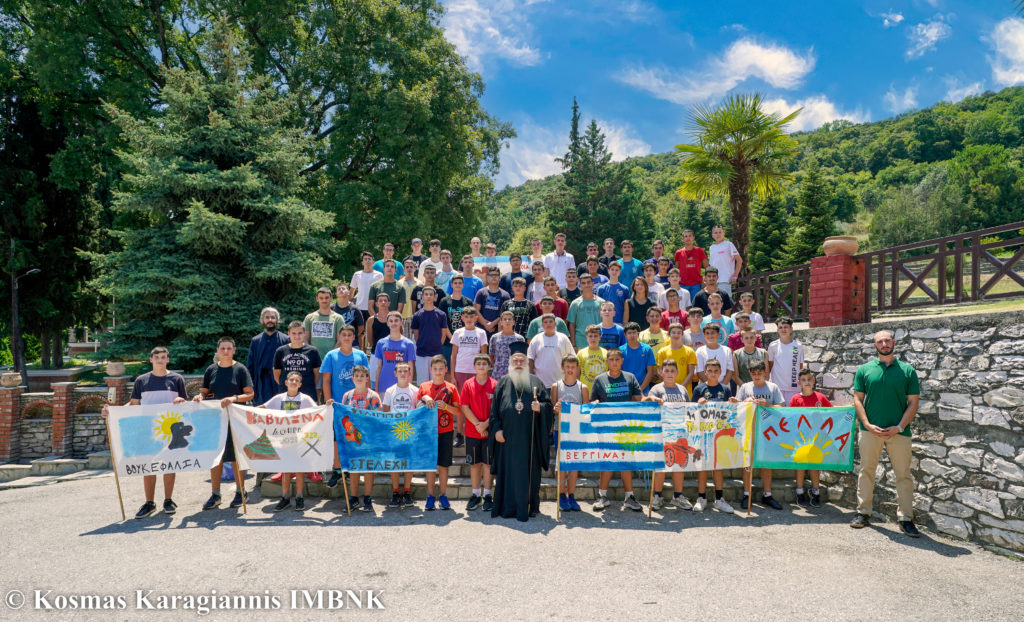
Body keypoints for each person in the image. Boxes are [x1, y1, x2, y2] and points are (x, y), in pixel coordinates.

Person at [102, 346, 188, 518]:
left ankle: (168, 500)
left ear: (168, 359)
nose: (160, 360)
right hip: (147, 430)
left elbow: (185, 402)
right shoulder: (141, 380)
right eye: (157, 357)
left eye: (163, 357)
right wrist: (113, 412)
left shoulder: (176, 379)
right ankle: (149, 503)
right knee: (149, 465)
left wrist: (182, 400)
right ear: (151, 360)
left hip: (170, 431)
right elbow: (133, 404)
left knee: (169, 465)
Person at [850, 330, 920, 537]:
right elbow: (857, 400)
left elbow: (913, 403)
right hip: (870, 431)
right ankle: (863, 513)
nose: (884, 343)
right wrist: (867, 424)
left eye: (887, 340)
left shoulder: (907, 371)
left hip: (899, 432)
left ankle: (906, 518)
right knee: (866, 471)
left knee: (903, 475)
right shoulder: (864, 370)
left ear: (894, 342)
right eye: (880, 341)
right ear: (875, 346)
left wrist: (899, 427)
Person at [489, 343, 554, 521]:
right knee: (507, 474)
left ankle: (529, 506)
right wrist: (496, 430)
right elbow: (494, 411)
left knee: (528, 474)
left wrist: (540, 408)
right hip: (507, 441)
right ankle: (506, 507)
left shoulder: (535, 382)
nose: (518, 363)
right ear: (510, 362)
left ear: (527, 363)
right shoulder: (502, 382)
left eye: (522, 360)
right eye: (515, 360)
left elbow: (548, 406)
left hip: (529, 440)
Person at [194, 337, 254, 511]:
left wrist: (234, 398)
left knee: (236, 457)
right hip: (215, 420)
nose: (226, 351)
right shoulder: (211, 370)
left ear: (234, 350)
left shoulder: (240, 370)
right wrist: (200, 397)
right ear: (218, 350)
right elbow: (204, 392)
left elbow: (250, 394)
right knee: (216, 457)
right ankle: (216, 494)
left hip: (236, 420)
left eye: (229, 348)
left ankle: (240, 491)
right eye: (223, 348)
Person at [590, 349, 644, 511]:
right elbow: (593, 401)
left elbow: (639, 399)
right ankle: (602, 496)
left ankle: (629, 497)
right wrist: (595, 403)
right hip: (606, 427)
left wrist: (652, 400)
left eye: (617, 359)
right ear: (607, 361)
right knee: (607, 461)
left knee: (626, 462)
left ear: (622, 361)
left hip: (626, 428)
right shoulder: (599, 380)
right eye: (611, 359)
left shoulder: (630, 377)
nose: (614, 362)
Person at [264, 372, 321, 512]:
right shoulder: (278, 399)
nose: (294, 382)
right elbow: (263, 409)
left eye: (297, 380)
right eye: (291, 380)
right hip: (283, 440)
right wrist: (243, 410)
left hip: (300, 440)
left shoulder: (306, 399)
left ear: (300, 384)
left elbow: (317, 412)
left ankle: (299, 497)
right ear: (286, 382)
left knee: (299, 468)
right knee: (285, 469)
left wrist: (328, 406)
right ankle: (285, 497)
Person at [731, 360, 784, 511]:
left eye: (759, 373)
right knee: (747, 463)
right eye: (753, 373)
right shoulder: (745, 387)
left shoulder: (773, 387)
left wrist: (767, 405)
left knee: (766, 463)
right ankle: (747, 494)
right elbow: (736, 407)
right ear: (750, 373)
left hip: (768, 430)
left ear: (765, 372)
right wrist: (744, 402)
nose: (756, 376)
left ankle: (767, 495)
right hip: (748, 429)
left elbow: (781, 407)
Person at [321, 325, 369, 489]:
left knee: (354, 436)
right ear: (339, 337)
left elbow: (366, 378)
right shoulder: (331, 355)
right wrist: (329, 401)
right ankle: (336, 469)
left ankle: (351, 469)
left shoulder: (360, 355)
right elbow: (326, 380)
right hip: (338, 405)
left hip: (357, 404)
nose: (347, 337)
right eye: (344, 335)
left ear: (354, 337)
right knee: (337, 438)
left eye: (350, 335)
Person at [646, 358, 693, 511]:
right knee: (661, 466)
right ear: (661, 372)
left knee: (679, 465)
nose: (670, 374)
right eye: (666, 371)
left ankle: (678, 496)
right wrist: (651, 400)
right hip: (662, 433)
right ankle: (657, 495)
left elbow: (688, 410)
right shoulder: (656, 389)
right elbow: (649, 407)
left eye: (673, 371)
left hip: (679, 433)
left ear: (677, 373)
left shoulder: (682, 390)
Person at [690, 359, 735, 513]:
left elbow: (730, 413)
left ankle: (719, 499)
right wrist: (698, 405)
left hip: (720, 436)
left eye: (716, 371)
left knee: (718, 467)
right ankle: (701, 498)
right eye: (710, 371)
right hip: (703, 434)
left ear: (720, 372)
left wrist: (733, 404)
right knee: (702, 466)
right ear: (705, 372)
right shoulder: (699, 389)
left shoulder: (725, 389)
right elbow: (690, 413)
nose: (713, 374)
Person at [417, 355, 460, 511]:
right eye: (435, 369)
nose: (438, 371)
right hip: (428, 431)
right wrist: (424, 398)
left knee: (443, 465)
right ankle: (430, 496)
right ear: (430, 370)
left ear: (446, 369)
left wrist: (446, 407)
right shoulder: (423, 386)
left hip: (446, 430)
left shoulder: (451, 388)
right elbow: (416, 407)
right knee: (430, 465)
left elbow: (458, 411)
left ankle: (443, 495)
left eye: (441, 368)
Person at [790, 369, 833, 508]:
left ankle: (815, 491)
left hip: (817, 438)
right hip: (801, 438)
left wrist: (847, 409)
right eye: (803, 380)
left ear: (814, 381)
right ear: (799, 383)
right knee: (801, 464)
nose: (807, 382)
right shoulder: (796, 399)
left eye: (809, 379)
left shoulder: (820, 398)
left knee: (815, 465)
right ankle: (800, 491)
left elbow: (832, 412)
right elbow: (791, 416)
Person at [341, 365, 381, 512]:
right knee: (354, 469)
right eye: (356, 375)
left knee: (368, 469)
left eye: (362, 375)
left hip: (369, 440)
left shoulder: (373, 396)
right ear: (353, 378)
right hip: (352, 439)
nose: (359, 378)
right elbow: (343, 417)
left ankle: (368, 499)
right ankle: (353, 499)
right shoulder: (347, 396)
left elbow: (378, 418)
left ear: (367, 378)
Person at [551, 354, 588, 513]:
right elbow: (553, 408)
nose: (570, 370)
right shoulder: (556, 386)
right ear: (563, 368)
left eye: (573, 367)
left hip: (577, 430)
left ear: (577, 368)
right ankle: (561, 495)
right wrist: (556, 408)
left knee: (574, 464)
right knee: (561, 464)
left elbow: (586, 411)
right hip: (560, 429)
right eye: (568, 367)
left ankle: (571, 495)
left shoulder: (583, 387)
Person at [382, 362, 422, 507]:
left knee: (408, 463)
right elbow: (385, 411)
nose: (403, 374)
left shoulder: (415, 391)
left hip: (409, 432)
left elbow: (418, 411)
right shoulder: (389, 391)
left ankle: (406, 491)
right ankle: (395, 492)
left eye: (406, 371)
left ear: (410, 373)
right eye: (400, 371)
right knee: (395, 463)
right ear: (395, 373)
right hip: (394, 432)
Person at [461, 354, 498, 511]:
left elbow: (497, 409)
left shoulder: (496, 385)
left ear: (489, 366)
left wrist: (485, 425)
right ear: (474, 367)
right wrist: (478, 425)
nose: (482, 366)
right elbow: (464, 406)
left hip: (489, 431)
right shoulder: (468, 384)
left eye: (484, 364)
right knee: (474, 464)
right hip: (472, 431)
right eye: (479, 364)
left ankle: (488, 495)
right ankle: (476, 495)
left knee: (488, 465)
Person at [450, 306, 487, 447]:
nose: (469, 319)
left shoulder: (481, 333)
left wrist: (482, 373)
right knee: (460, 405)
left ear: (476, 318)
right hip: (460, 371)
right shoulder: (458, 332)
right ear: (463, 318)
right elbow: (453, 355)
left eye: (472, 317)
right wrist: (452, 375)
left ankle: (475, 430)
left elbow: (483, 355)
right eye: (467, 317)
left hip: (475, 373)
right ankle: (459, 434)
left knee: (475, 404)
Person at [247, 307, 290, 406]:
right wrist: (250, 386)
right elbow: (250, 366)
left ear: (277, 320)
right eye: (267, 317)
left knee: (281, 410)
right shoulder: (255, 341)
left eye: (272, 317)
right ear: (262, 320)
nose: (270, 320)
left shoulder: (286, 340)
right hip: (261, 383)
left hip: (280, 382)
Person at [274, 320, 321, 403]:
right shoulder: (280, 351)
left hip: (308, 393)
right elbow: (276, 374)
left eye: (300, 333)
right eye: (294, 333)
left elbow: (317, 374)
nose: (297, 336)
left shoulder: (312, 351)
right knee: (287, 415)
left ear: (304, 333)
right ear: (288, 333)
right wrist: (290, 385)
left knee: (307, 416)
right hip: (286, 395)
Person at [373, 311, 417, 395]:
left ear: (401, 322)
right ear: (387, 323)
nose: (394, 323)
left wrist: (409, 387)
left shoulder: (409, 344)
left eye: (396, 320)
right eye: (391, 321)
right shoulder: (381, 343)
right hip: (384, 386)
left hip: (402, 387)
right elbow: (379, 367)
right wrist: (377, 388)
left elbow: (410, 367)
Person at [412, 286, 450, 383]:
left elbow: (444, 333)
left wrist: (438, 346)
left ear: (435, 297)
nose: (428, 297)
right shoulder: (417, 315)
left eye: (431, 294)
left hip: (436, 354)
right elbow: (416, 335)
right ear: (422, 297)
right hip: (421, 354)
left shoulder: (441, 314)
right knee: (422, 383)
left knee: (436, 382)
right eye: (426, 294)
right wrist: (421, 344)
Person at [527, 313, 575, 388]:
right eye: (545, 322)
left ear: (555, 323)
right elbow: (530, 359)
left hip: (560, 383)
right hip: (540, 384)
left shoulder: (563, 338)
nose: (548, 324)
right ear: (542, 325)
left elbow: (572, 358)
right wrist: (532, 378)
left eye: (550, 322)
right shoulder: (536, 339)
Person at [767, 317, 804, 404]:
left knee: (792, 414)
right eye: (780, 327)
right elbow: (770, 365)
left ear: (791, 329)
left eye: (786, 327)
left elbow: (800, 367)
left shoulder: (798, 346)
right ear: (777, 330)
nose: (783, 329)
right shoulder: (773, 346)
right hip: (778, 388)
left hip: (794, 388)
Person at [304, 287, 346, 362]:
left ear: (331, 298)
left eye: (326, 298)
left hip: (332, 359)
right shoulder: (309, 318)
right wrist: (310, 353)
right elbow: (305, 338)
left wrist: (330, 356)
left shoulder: (338, 318)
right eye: (321, 298)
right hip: (313, 360)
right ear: (317, 299)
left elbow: (340, 340)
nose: (324, 300)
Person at [655, 323, 696, 398]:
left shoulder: (689, 351)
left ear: (682, 334)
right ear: (668, 334)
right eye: (673, 332)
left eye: (679, 333)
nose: (676, 335)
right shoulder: (662, 352)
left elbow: (691, 373)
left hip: (685, 392)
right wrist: (670, 385)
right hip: (666, 392)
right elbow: (659, 372)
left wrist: (680, 389)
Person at [439, 274, 471, 368]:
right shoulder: (444, 301)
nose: (457, 285)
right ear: (451, 285)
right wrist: (453, 338)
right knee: (448, 369)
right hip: (448, 341)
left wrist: (460, 339)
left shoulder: (468, 302)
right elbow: (442, 322)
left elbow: (470, 321)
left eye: (460, 283)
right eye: (455, 283)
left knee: (463, 368)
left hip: (464, 341)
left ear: (463, 285)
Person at [567, 273, 605, 349]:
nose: (586, 285)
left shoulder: (601, 302)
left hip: (598, 341)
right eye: (583, 283)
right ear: (580, 285)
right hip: (580, 342)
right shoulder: (575, 303)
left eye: (588, 282)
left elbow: (605, 322)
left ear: (593, 284)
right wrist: (573, 344)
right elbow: (571, 325)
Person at [351, 251, 384, 334]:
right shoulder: (357, 274)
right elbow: (351, 291)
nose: (367, 261)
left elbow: (382, 292)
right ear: (362, 262)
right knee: (360, 332)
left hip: (374, 308)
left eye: (369, 259)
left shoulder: (379, 275)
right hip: (359, 308)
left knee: (372, 331)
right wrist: (351, 305)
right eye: (365, 259)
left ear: (373, 262)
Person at [620, 322, 656, 394]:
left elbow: (650, 372)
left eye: (634, 332)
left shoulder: (647, 349)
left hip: (644, 391)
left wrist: (640, 390)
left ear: (638, 334)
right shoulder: (620, 351)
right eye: (629, 333)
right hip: (625, 391)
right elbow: (618, 371)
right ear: (625, 335)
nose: (632, 335)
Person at [674, 229, 708, 303]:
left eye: (690, 236)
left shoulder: (699, 251)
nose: (688, 238)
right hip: (682, 284)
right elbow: (676, 270)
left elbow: (707, 267)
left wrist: (705, 281)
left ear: (693, 237)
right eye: (686, 236)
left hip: (696, 284)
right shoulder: (678, 253)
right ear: (683, 239)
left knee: (695, 307)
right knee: (683, 306)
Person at [474, 267, 510, 338]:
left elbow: (506, 314)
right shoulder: (481, 292)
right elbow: (476, 311)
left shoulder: (505, 295)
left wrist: (492, 324)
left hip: (498, 331)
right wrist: (485, 324)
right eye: (491, 275)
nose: (493, 277)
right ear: (487, 277)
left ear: (499, 278)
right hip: (481, 331)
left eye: (496, 275)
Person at [490, 311, 525, 379]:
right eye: (505, 319)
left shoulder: (520, 339)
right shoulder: (495, 337)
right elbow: (491, 355)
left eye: (509, 319)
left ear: (513, 322)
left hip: (515, 374)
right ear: (501, 322)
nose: (507, 321)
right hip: (498, 374)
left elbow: (522, 357)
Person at [709, 225, 742, 297]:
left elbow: (739, 260)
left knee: (725, 304)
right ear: (712, 235)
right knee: (714, 305)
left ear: (724, 233)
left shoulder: (729, 244)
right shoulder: (711, 248)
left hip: (725, 280)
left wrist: (735, 275)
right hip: (713, 281)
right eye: (716, 233)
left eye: (720, 232)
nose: (718, 234)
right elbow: (711, 265)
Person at [366, 293, 392, 388]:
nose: (383, 303)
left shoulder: (394, 319)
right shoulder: (371, 320)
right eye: (380, 301)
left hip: (391, 354)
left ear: (389, 303)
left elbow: (398, 334)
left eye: (385, 300)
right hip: (376, 353)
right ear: (376, 304)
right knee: (374, 380)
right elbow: (370, 339)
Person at [331, 283, 366, 351]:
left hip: (352, 344)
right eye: (339, 289)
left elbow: (361, 329)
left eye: (343, 288)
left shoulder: (355, 309)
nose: (341, 290)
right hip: (335, 344)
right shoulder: (331, 309)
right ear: (336, 294)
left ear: (349, 293)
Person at [577, 324, 607, 391]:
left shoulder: (606, 353)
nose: (593, 338)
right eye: (590, 336)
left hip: (602, 389)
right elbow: (577, 374)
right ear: (586, 338)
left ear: (600, 337)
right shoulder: (581, 353)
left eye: (596, 336)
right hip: (585, 389)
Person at [398, 258, 420, 336]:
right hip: (403, 316)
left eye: (411, 267)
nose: (409, 269)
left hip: (416, 316)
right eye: (407, 267)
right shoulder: (399, 284)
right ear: (404, 269)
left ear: (415, 268)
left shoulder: (420, 284)